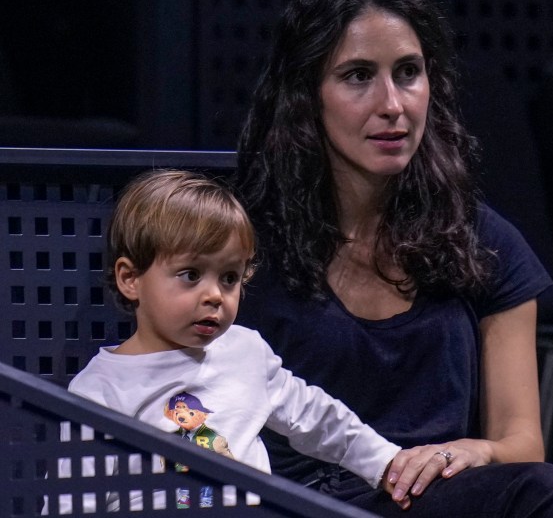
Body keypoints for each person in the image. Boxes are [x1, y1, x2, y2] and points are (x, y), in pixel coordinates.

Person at [235, 0, 553, 517]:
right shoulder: (242, 242)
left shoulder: (482, 240)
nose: (393, 105)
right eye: (358, 75)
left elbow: (523, 444)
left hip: (429, 497)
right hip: (294, 503)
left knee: (547, 493)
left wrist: (472, 450)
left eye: (408, 72)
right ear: (307, 95)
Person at [59, 169, 410, 512]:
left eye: (229, 278)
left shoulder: (246, 352)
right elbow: (74, 500)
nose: (215, 295)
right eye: (191, 275)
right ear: (130, 278)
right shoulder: (100, 389)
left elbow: (316, 418)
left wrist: (386, 462)